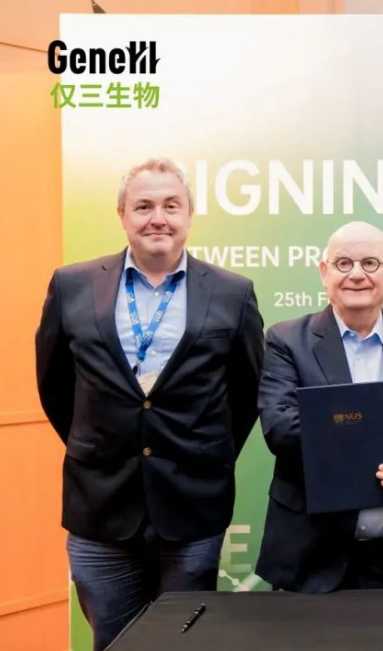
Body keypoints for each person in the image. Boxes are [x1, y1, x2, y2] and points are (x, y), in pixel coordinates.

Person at [35, 157, 264, 651]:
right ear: (121, 214)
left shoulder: (232, 293)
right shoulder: (71, 285)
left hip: (193, 507)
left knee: (187, 644)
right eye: (143, 206)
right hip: (98, 507)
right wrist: (98, 443)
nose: (157, 218)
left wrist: (205, 454)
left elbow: (246, 395)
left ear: (189, 215)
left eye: (170, 206)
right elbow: (54, 386)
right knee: (113, 642)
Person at [256, 221, 383, 592]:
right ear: (324, 272)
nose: (357, 275)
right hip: (312, 557)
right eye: (344, 263)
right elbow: (280, 428)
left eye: (370, 263)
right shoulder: (286, 341)